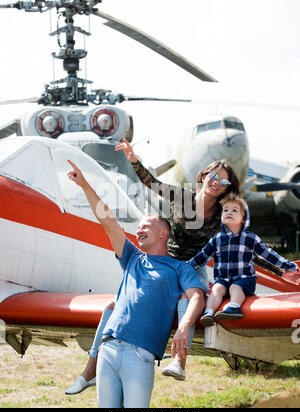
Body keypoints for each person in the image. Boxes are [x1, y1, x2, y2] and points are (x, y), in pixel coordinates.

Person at [65, 139, 299, 391]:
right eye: (213, 175)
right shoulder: (181, 197)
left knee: (187, 300)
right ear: (203, 175)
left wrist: (283, 269)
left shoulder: (223, 217)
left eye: (223, 181)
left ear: (227, 188)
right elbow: (151, 183)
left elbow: (244, 248)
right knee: (115, 304)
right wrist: (132, 158)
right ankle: (90, 371)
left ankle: (179, 361)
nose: (216, 182)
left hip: (191, 268)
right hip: (163, 262)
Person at [66, 159, 206, 408]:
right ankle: (89, 373)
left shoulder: (179, 268)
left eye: (145, 226)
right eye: (137, 227)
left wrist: (184, 326)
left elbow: (196, 297)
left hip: (140, 354)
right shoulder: (132, 257)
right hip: (107, 349)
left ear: (164, 233)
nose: (138, 230)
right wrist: (84, 184)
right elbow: (107, 220)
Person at [189, 193, 300, 326]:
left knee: (235, 287)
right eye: (225, 210)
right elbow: (203, 256)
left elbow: (269, 255)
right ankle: (208, 313)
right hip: (223, 279)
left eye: (234, 210)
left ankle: (234, 307)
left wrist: (289, 266)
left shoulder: (250, 238)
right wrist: (187, 265)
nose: (229, 212)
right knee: (216, 289)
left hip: (245, 279)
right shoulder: (217, 239)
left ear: (243, 218)